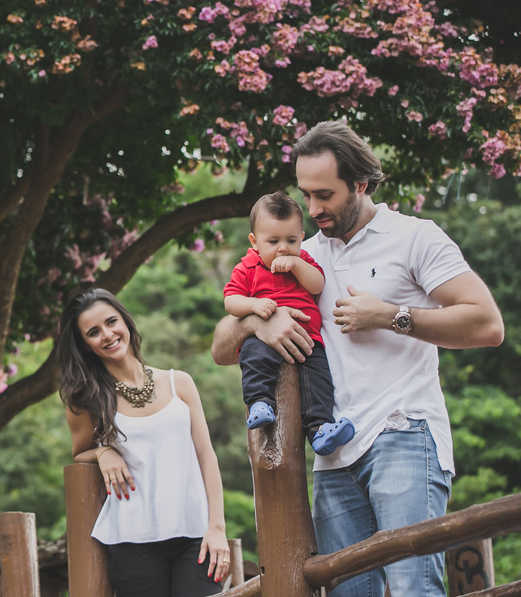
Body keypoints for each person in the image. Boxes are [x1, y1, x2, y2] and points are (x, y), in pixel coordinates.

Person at [211, 121, 505, 597]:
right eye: (306, 195)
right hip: (332, 453)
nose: (312, 208)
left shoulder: (414, 237)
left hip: (403, 433)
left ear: (361, 184)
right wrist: (253, 322)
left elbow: (487, 324)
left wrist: (392, 316)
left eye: (324, 195)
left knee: (413, 588)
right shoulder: (294, 252)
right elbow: (222, 348)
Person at [58, 288, 230, 596]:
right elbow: (78, 453)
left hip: (196, 538)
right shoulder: (87, 401)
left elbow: (207, 458)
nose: (107, 335)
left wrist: (217, 527)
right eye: (94, 332)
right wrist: (102, 452)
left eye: (111, 322)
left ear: (125, 320)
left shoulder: (180, 383)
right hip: (132, 543)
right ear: (85, 345)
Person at [223, 191, 354, 455]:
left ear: (302, 239)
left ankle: (319, 429)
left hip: (308, 340)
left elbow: (318, 284)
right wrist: (254, 305)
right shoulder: (248, 267)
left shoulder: (303, 261)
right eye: (273, 241)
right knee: (254, 358)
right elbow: (231, 300)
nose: (283, 247)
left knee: (318, 382)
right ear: (255, 241)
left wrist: (296, 263)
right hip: (264, 336)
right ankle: (259, 402)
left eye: (291, 240)